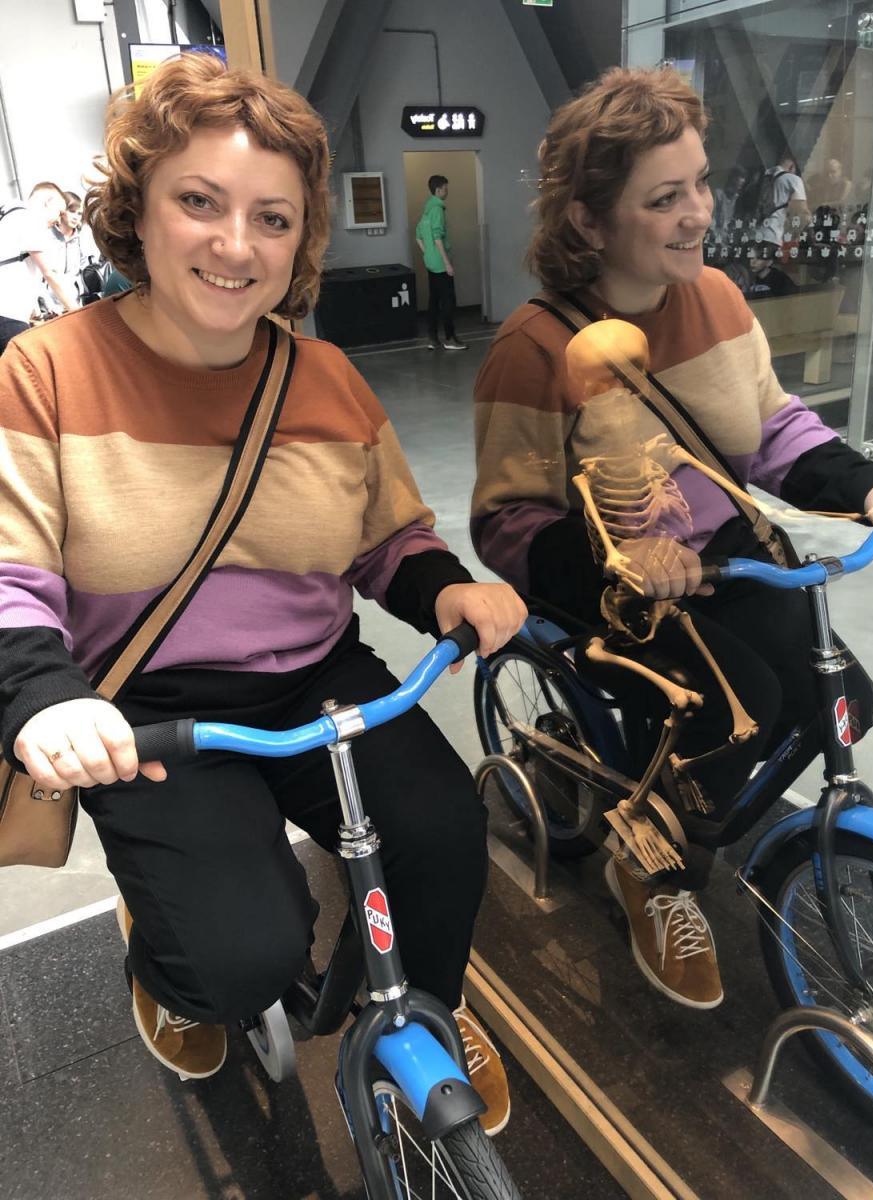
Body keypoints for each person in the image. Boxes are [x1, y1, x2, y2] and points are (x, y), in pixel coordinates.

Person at [0, 54, 525, 1134]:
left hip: (317, 679)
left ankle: (425, 1011)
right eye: (199, 202)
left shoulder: (326, 379)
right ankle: (168, 960)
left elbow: (386, 538)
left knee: (439, 838)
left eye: (271, 219)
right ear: (137, 209)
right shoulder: (45, 372)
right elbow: (11, 571)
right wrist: (46, 697)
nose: (236, 245)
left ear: (301, 239)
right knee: (239, 958)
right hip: (144, 708)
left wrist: (445, 591)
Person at [470, 66, 873, 1011]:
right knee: (732, 705)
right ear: (589, 221)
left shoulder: (717, 299)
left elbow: (772, 427)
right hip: (611, 586)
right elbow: (506, 522)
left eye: (700, 183)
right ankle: (651, 867)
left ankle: (688, 813)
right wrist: (620, 563)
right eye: (664, 198)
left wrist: (869, 485)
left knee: (841, 697)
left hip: (726, 560)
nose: (698, 212)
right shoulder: (533, 350)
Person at [0, 181, 78, 352]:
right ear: (48, 202)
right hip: (8, 316)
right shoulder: (30, 218)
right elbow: (50, 272)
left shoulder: (9, 214)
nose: (58, 219)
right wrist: (78, 313)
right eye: (59, 212)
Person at [415, 175, 467, 350]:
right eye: (445, 188)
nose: (447, 191)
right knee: (448, 301)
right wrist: (446, 263)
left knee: (434, 300)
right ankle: (450, 339)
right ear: (438, 190)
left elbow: (418, 236)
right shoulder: (437, 209)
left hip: (430, 262)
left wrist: (427, 253)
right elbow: (437, 237)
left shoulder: (427, 210)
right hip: (440, 263)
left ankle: (432, 338)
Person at [754, 149, 810, 257]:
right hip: (772, 235)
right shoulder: (793, 179)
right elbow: (802, 212)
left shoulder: (761, 178)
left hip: (753, 233)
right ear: (792, 167)